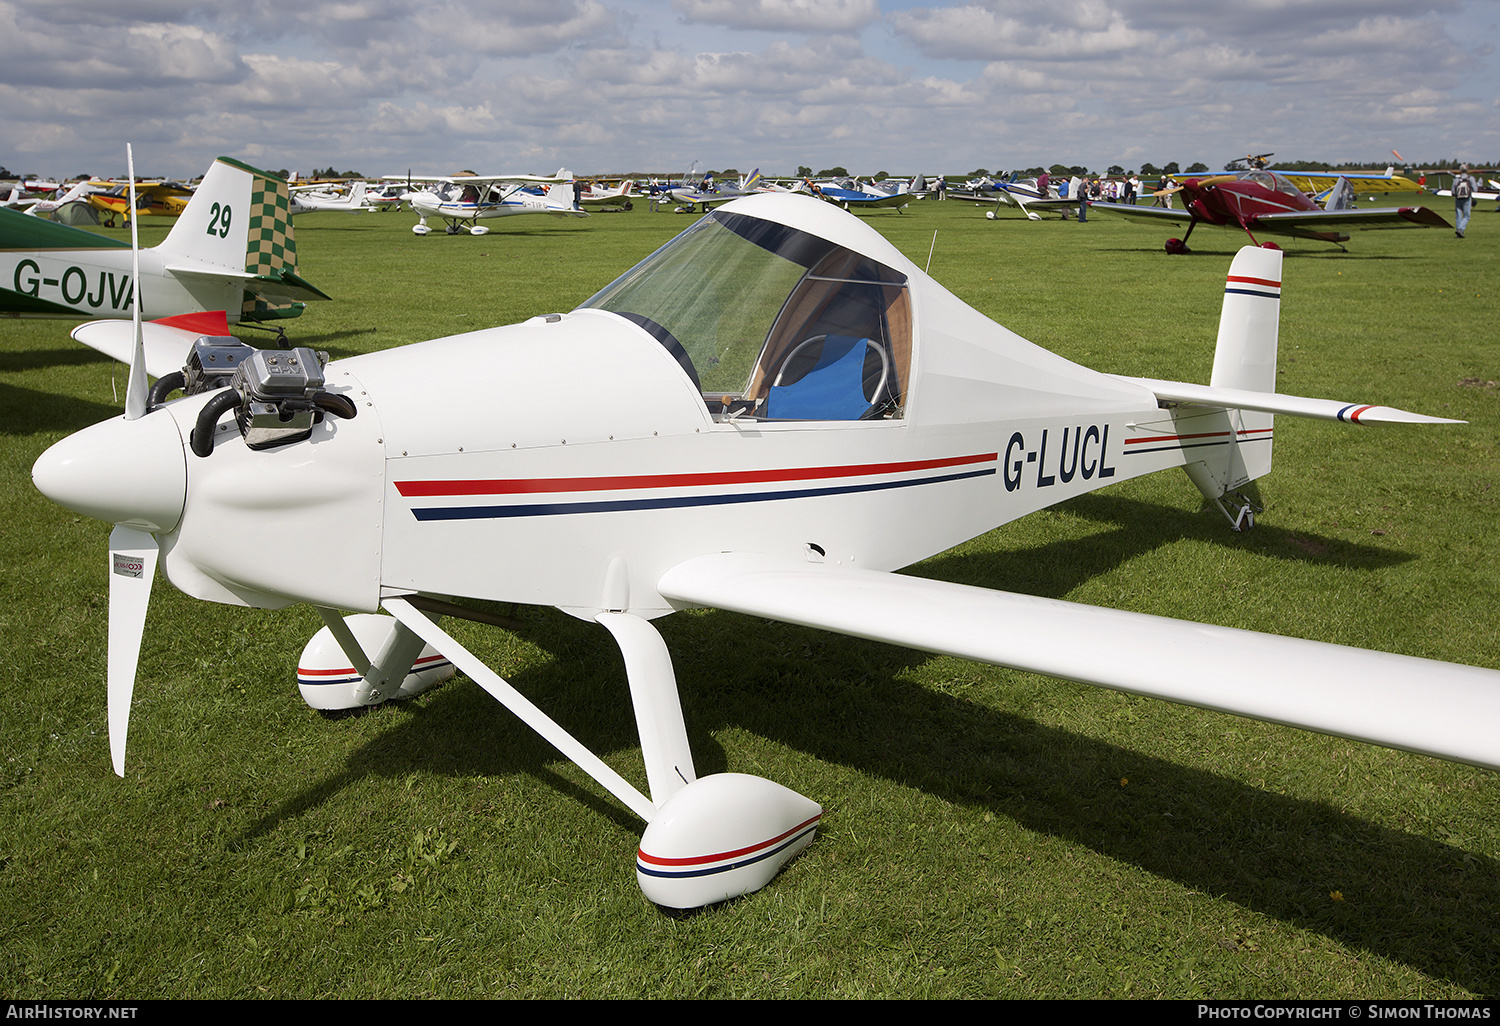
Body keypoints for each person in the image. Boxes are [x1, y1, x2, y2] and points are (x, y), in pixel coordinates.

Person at [1453, 164, 1475, 238]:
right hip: (1467, 199)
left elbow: (1453, 191)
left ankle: (1458, 234)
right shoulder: (1470, 178)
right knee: (1466, 216)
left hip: (1458, 199)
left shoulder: (1456, 179)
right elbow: (1475, 189)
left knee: (1458, 216)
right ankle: (1460, 229)